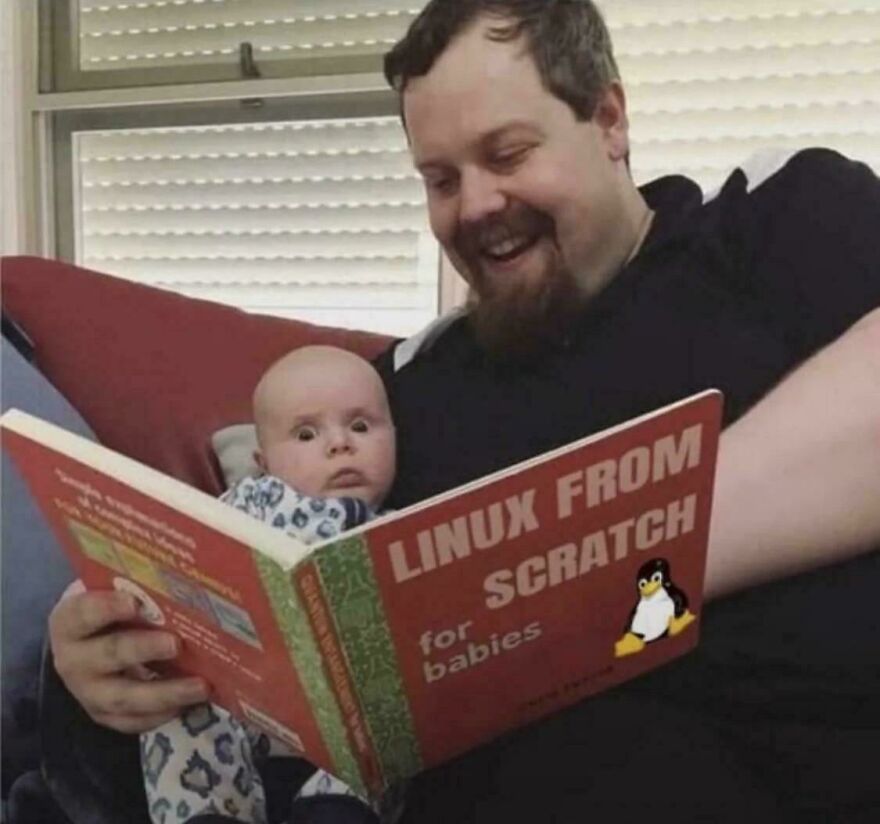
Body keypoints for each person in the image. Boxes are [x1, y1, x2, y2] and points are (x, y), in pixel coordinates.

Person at [48, 1, 880, 821]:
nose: (475, 205)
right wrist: (97, 661)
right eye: (440, 179)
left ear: (609, 119)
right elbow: (277, 593)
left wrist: (599, 566)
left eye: (508, 153)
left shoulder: (772, 223)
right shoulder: (402, 393)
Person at [140, 345, 395, 824]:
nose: (341, 444)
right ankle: (207, 811)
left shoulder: (402, 529)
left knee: (386, 719)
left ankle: (335, 809)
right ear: (264, 460)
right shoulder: (249, 502)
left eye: (361, 426)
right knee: (180, 706)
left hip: (339, 723)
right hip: (238, 690)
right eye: (306, 433)